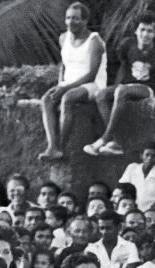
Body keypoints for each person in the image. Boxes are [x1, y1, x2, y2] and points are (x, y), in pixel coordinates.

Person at [84, 12, 155, 156]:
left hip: (149, 89)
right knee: (100, 95)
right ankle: (116, 142)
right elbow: (123, 68)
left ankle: (104, 138)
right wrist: (114, 88)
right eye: (142, 29)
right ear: (136, 30)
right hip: (127, 87)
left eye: (150, 31)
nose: (145, 34)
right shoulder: (127, 45)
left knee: (122, 91)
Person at [39, 1, 107, 161]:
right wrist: (60, 84)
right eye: (68, 18)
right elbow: (64, 64)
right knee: (46, 99)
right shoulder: (63, 38)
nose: (71, 22)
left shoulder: (95, 42)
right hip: (68, 83)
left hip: (92, 85)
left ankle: (61, 147)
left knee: (67, 99)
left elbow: (91, 75)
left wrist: (65, 89)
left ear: (85, 21)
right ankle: (52, 147)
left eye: (76, 18)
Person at [118, 141, 155, 211]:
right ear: (141, 156)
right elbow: (121, 187)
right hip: (131, 209)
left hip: (151, 211)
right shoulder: (132, 168)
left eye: (153, 156)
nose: (149, 158)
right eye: (147, 155)